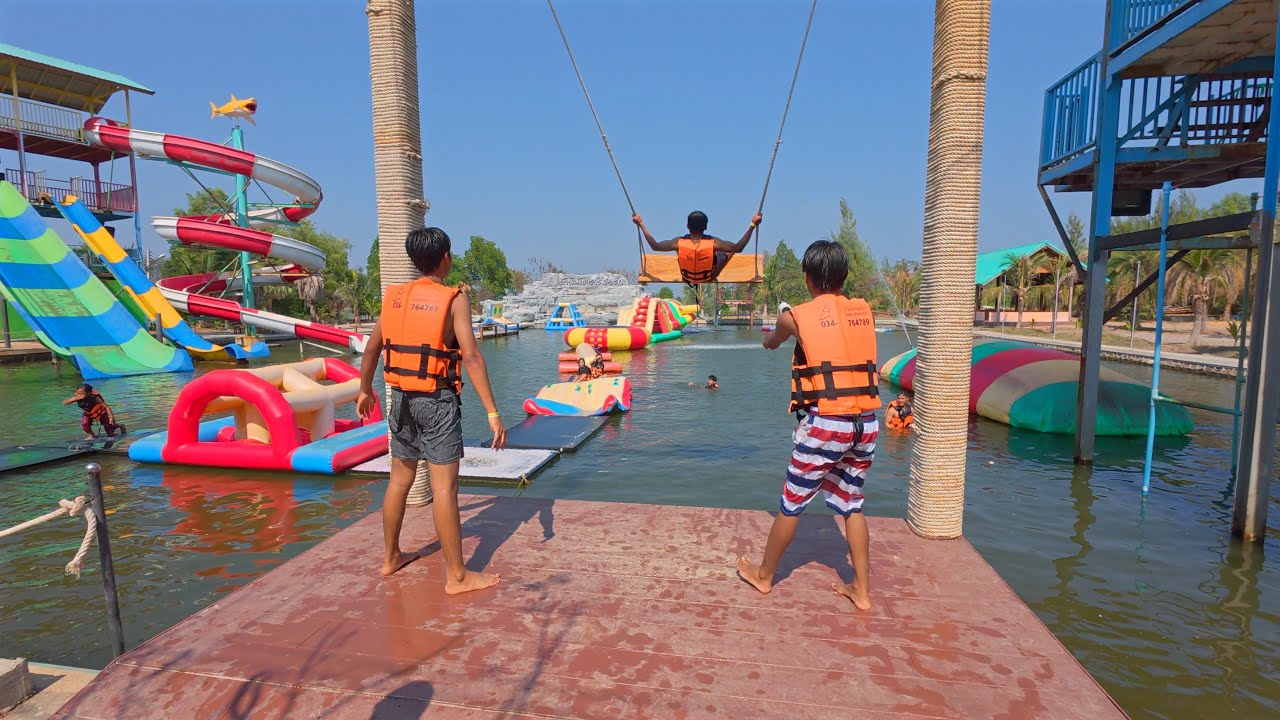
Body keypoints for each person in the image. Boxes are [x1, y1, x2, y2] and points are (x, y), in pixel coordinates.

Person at [357, 227, 507, 591]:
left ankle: (391, 557)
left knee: (399, 481)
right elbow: (471, 356)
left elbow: (372, 348)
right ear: (445, 258)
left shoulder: (395, 297)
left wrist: (364, 390)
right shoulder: (454, 298)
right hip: (436, 401)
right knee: (444, 489)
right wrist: (492, 412)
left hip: (400, 398)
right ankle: (457, 576)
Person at [736, 240, 881, 611]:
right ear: (845, 276)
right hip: (865, 424)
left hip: (827, 425)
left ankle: (764, 576)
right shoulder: (864, 310)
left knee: (791, 503)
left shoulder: (795, 316)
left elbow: (771, 343)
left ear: (807, 278)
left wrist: (779, 326)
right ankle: (861, 590)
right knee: (852, 504)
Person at [633, 210, 762, 284]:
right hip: (707, 278)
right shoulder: (714, 243)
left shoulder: (678, 243)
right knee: (726, 253)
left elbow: (655, 246)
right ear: (705, 227)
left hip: (687, 278)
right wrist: (752, 225)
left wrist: (641, 224)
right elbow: (738, 247)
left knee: (684, 254)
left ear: (687, 226)